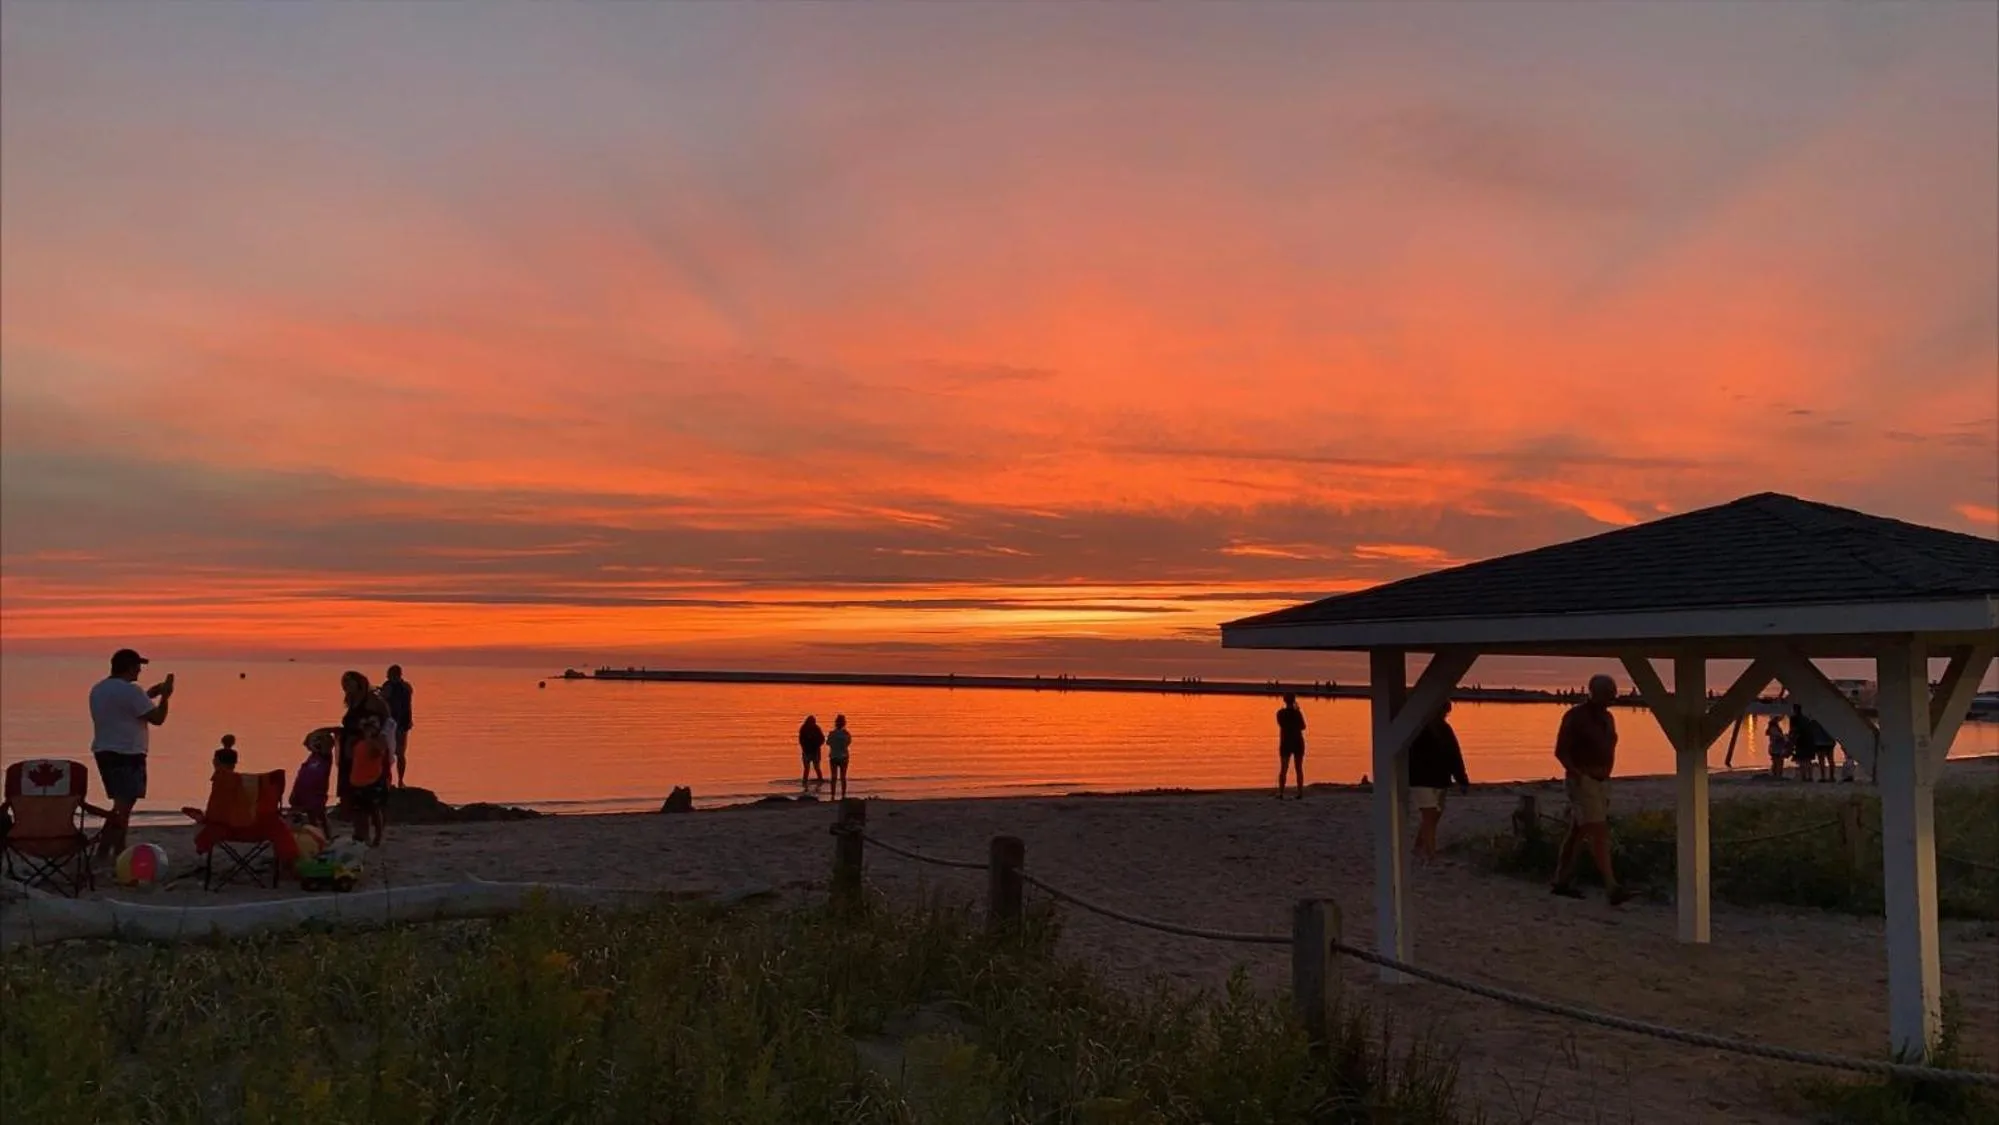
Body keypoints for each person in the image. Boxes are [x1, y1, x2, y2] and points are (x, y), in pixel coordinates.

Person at [1551, 674, 1629, 905]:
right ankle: (1611, 886)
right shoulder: (1575, 716)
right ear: (1595, 692)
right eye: (1609, 692)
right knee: (1599, 832)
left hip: (1603, 782)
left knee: (1579, 831)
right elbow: (1561, 750)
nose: (1614, 696)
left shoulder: (1608, 717)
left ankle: (1561, 880)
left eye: (1614, 691)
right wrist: (1576, 772)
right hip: (1583, 781)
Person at [89, 648, 174, 859]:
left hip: (104, 750)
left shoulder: (99, 689)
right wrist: (165, 697)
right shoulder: (131, 691)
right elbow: (158, 718)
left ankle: (105, 851)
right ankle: (118, 851)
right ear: (129, 667)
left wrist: (148, 695)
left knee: (120, 805)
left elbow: (122, 709)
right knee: (123, 807)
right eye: (138, 667)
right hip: (127, 753)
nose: (139, 671)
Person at [1408, 702, 1470, 863]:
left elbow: (1454, 755)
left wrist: (1461, 779)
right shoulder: (1416, 730)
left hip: (1440, 779)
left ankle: (1418, 846)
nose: (1444, 715)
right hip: (1420, 779)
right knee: (1429, 815)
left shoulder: (1445, 730)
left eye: (1445, 712)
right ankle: (1431, 854)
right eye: (1442, 711)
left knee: (1434, 816)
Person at [337, 671, 392, 846]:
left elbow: (388, 724)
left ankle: (377, 835)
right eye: (344, 683)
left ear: (359, 682)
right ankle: (360, 834)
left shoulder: (373, 700)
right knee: (355, 798)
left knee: (372, 800)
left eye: (349, 682)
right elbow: (348, 727)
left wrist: (377, 743)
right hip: (351, 754)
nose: (346, 686)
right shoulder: (351, 701)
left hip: (369, 752)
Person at [292, 729, 335, 833]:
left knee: (320, 814)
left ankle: (326, 834)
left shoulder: (325, 757)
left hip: (317, 791)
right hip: (305, 790)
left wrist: (329, 731)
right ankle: (316, 833)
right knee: (311, 814)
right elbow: (307, 742)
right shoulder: (312, 757)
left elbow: (325, 746)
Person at [380, 665, 414, 787]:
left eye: (389, 674)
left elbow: (384, 699)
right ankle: (399, 781)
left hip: (393, 724)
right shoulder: (407, 687)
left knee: (389, 753)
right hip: (402, 723)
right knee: (399, 754)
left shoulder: (389, 686)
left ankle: (392, 781)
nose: (387, 676)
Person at [1275, 693, 1307, 799]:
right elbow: (1303, 726)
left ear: (1284, 700)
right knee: (1299, 768)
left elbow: (1281, 724)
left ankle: (1281, 792)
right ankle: (1300, 792)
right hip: (1298, 741)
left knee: (1283, 768)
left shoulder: (1280, 713)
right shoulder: (1297, 713)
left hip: (1286, 742)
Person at [827, 714, 853, 800]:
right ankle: (843, 795)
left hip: (834, 756)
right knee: (843, 777)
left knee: (833, 777)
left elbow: (828, 743)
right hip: (844, 756)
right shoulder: (846, 734)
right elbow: (848, 743)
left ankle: (833, 795)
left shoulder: (832, 733)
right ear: (844, 723)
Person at [798, 715, 826, 788]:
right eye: (811, 722)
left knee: (817, 767)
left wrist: (817, 745)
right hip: (807, 751)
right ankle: (805, 783)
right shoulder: (803, 729)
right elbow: (801, 740)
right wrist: (804, 748)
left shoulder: (816, 728)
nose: (812, 723)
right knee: (807, 769)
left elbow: (822, 739)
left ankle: (820, 781)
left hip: (815, 751)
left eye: (813, 722)